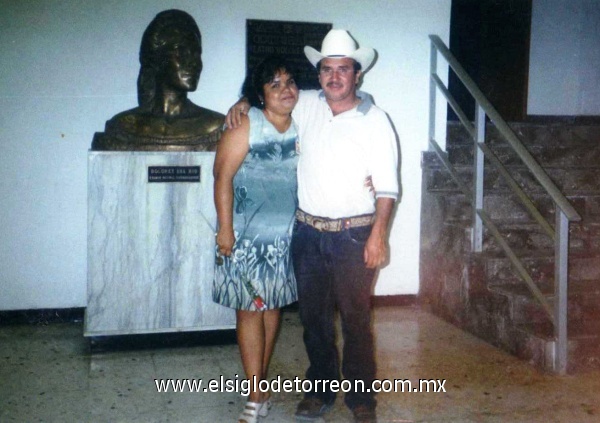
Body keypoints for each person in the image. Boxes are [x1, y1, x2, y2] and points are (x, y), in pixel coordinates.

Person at [227, 29, 399, 423]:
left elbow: (388, 187)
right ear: (318, 74)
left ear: (357, 74)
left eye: (343, 69)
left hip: (355, 235)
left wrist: (378, 236)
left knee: (356, 321)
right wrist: (242, 101)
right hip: (307, 233)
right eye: (326, 69)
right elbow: (268, 95)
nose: (334, 77)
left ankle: (361, 400)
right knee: (314, 322)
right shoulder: (304, 104)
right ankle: (319, 391)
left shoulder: (376, 120)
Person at [213, 55, 300, 423]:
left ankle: (258, 385)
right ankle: (254, 394)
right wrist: (225, 228)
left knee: (272, 306)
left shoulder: (303, 124)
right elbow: (222, 177)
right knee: (250, 309)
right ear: (260, 94)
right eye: (275, 84)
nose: (286, 90)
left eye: (290, 82)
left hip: (285, 237)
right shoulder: (246, 124)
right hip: (246, 237)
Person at [92, 9, 224, 151]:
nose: (194, 63)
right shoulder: (122, 127)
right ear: (157, 59)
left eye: (196, 53)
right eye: (180, 51)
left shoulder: (215, 126)